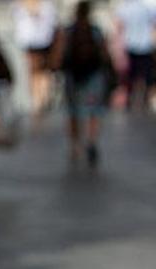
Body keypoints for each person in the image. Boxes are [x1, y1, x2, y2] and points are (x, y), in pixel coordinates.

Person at [55, 0, 111, 168]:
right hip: (94, 75)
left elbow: (59, 55)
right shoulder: (95, 31)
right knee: (94, 110)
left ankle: (75, 145)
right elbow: (104, 54)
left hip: (73, 75)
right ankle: (91, 141)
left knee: (73, 111)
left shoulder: (69, 31)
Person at [12, 0, 58, 116]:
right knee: (37, 71)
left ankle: (40, 99)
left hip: (39, 40)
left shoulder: (42, 4)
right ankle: (39, 99)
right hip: (36, 40)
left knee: (39, 71)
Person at [116, 0, 156, 110]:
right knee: (147, 76)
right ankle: (145, 100)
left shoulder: (124, 8)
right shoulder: (148, 7)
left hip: (131, 45)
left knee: (132, 77)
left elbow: (119, 28)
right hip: (145, 45)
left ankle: (132, 101)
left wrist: (119, 49)